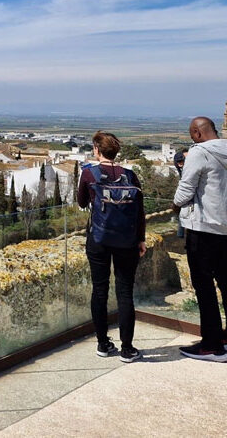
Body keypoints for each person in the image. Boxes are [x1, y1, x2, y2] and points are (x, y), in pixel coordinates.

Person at [78, 131, 146, 363]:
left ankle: (103, 344)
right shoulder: (130, 175)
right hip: (127, 241)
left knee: (100, 290)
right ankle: (127, 349)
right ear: (116, 151)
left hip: (98, 240)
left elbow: (81, 202)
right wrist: (141, 239)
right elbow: (140, 212)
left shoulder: (89, 173)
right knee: (125, 292)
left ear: (97, 150)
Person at [173, 117, 227, 362]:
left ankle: (212, 345)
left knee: (204, 288)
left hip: (203, 229)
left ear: (196, 132)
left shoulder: (198, 153)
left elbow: (186, 189)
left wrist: (175, 205)